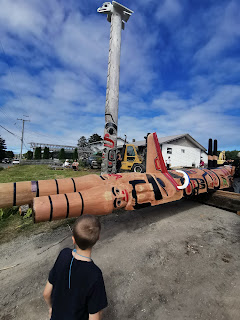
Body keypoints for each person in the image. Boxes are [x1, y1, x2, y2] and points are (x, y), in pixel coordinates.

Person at [43, 215, 108, 320]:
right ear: (98, 238)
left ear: (73, 240)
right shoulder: (94, 274)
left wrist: (51, 309)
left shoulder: (63, 255)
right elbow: (95, 316)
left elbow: (46, 293)